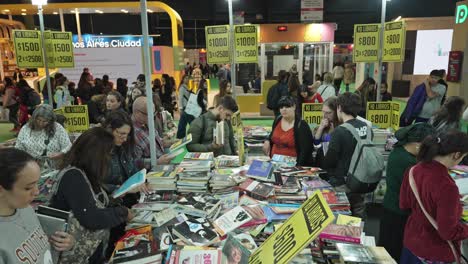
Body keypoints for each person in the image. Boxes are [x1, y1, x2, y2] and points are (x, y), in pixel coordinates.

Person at [49, 127, 134, 263]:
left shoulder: (85, 172)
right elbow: (91, 217)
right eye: (107, 154)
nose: (109, 159)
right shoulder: (73, 176)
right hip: (77, 256)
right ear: (96, 155)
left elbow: (96, 200)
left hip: (91, 252)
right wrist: (122, 212)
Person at [399, 131, 468, 263]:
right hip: (434, 251)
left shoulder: (414, 170)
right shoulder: (447, 186)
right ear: (457, 154)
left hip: (412, 242)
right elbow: (447, 232)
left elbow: (404, 204)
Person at [0, 148, 74, 264]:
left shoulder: (25, 208)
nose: (37, 192)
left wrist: (63, 245)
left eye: (37, 183)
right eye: (28, 187)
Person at [379, 123, 435, 262]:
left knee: (388, 249)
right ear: (417, 144)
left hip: (392, 208)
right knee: (393, 251)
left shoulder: (399, 151)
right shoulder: (409, 163)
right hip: (399, 213)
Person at [322, 92, 371, 218]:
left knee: (343, 222)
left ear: (339, 108)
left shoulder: (340, 131)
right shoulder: (366, 126)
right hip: (361, 180)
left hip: (342, 182)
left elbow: (329, 161)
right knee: (359, 216)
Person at [15, 104, 71, 170]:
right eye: (38, 120)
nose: (41, 123)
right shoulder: (26, 128)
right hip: (32, 167)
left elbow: (68, 146)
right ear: (34, 118)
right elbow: (18, 148)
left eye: (45, 121)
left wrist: (61, 154)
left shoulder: (58, 128)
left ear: (51, 120)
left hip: (55, 167)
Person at [263, 96, 314, 166]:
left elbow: (306, 151)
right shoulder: (278, 119)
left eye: (287, 107)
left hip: (292, 166)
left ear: (294, 107)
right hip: (274, 163)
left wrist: (297, 168)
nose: (284, 109)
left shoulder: (301, 125)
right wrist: (267, 140)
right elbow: (272, 135)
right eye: (281, 107)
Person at [132, 97, 174, 167]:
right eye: (149, 114)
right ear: (137, 113)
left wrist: (170, 143)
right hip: (151, 172)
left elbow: (156, 142)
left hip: (162, 166)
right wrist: (157, 162)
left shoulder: (147, 123)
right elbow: (135, 162)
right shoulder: (132, 132)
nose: (152, 117)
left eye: (153, 113)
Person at [314, 97, 339, 168]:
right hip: (322, 161)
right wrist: (321, 128)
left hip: (335, 164)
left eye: (328, 113)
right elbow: (316, 143)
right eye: (323, 112)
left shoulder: (341, 126)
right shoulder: (324, 124)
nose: (325, 115)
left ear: (336, 111)